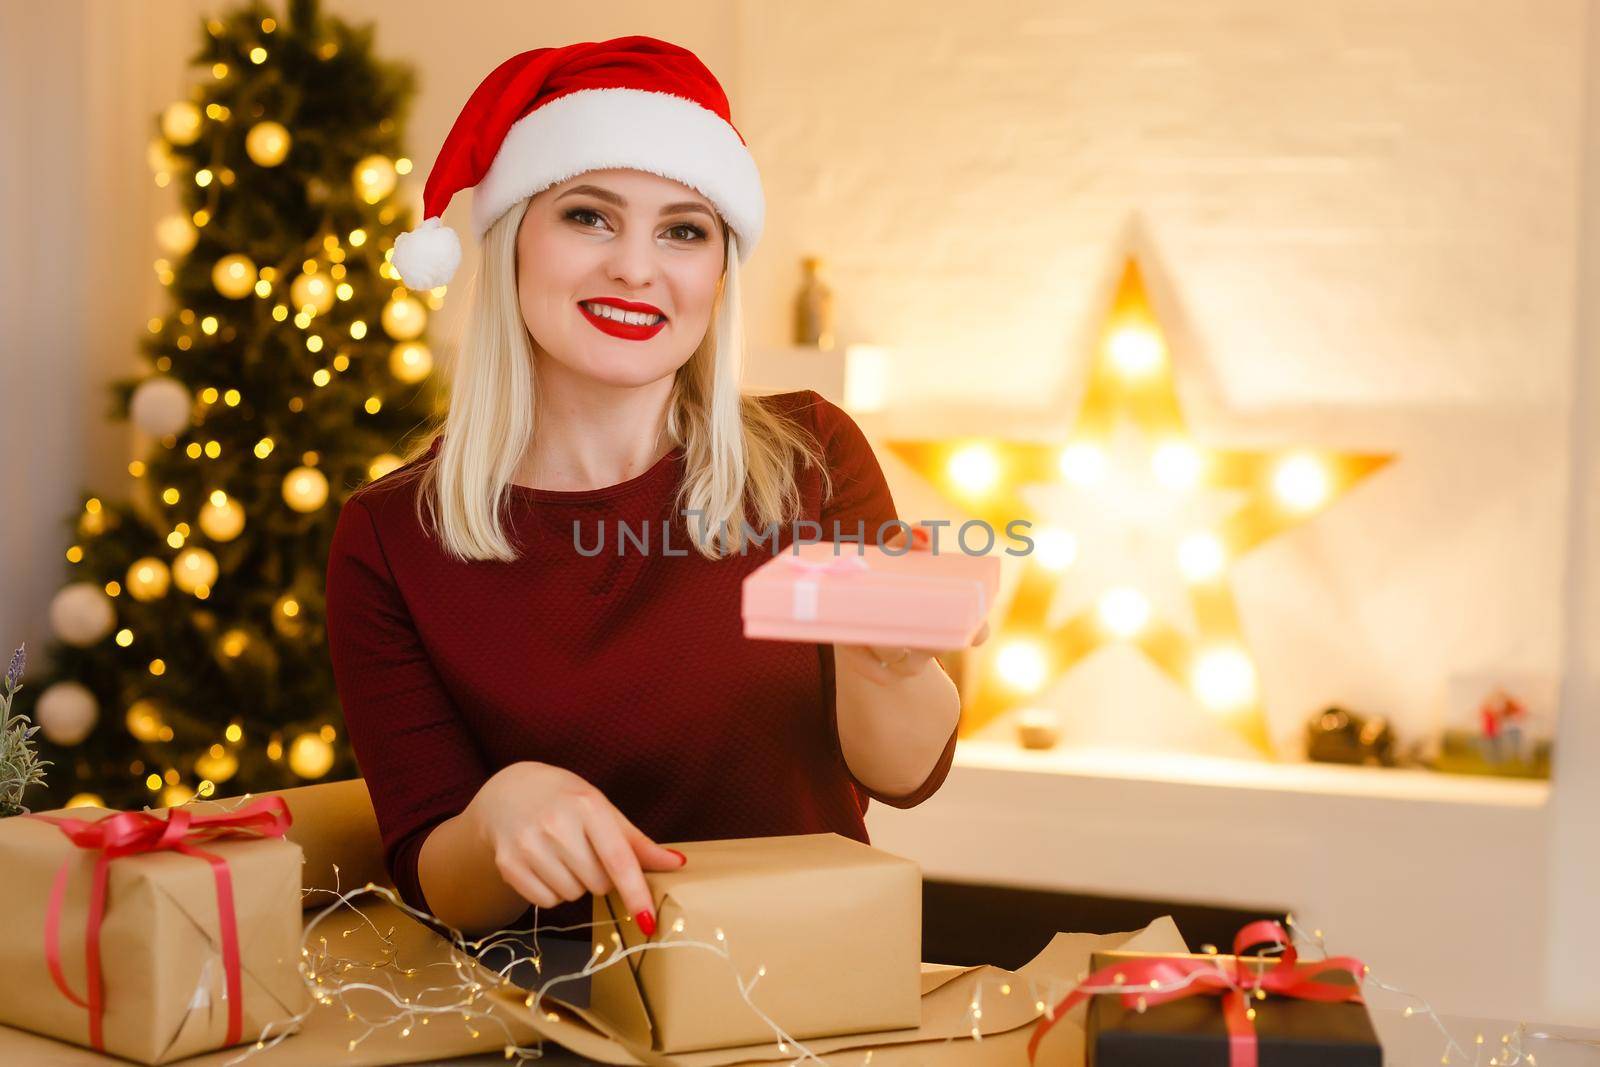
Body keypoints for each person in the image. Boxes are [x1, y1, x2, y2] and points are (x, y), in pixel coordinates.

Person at [323, 35, 980, 945]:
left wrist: (887, 664)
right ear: (514, 241)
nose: (637, 267)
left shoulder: (812, 455)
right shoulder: (393, 534)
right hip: (547, 1014)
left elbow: (906, 773)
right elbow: (438, 881)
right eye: (589, 216)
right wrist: (495, 818)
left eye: (683, 230)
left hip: (806, 995)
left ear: (718, 271)